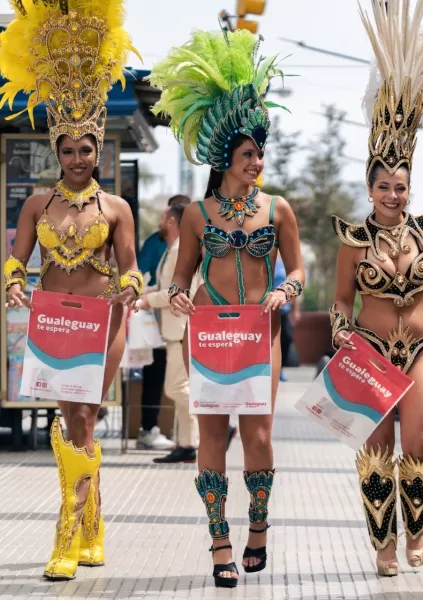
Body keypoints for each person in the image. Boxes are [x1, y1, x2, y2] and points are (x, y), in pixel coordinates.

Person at [148, 26, 305, 588]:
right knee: (211, 434)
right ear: (225, 158)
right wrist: (178, 295)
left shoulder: (279, 209)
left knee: (259, 435)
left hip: (259, 334)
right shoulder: (197, 215)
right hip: (209, 334)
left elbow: (300, 271)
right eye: (246, 154)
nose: (256, 162)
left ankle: (257, 529)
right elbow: (183, 274)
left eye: (260, 153)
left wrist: (286, 292)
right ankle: (219, 543)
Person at [0, 0, 141, 581]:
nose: (79, 158)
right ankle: (92, 523)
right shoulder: (38, 203)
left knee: (84, 417)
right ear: (56, 151)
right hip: (56, 323)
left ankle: (68, 531)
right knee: (73, 421)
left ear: (98, 151)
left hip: (102, 323)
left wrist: (130, 289)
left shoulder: (118, 207)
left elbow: (130, 267)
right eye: (69, 149)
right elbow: (16, 259)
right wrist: (13, 285)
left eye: (87, 148)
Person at [330, 0, 423, 578]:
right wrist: (341, 333)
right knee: (376, 452)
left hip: (419, 352)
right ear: (370, 188)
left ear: (411, 188)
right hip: (368, 352)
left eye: (401, 186)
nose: (394, 194)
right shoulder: (351, 238)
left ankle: (417, 535)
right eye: (385, 186)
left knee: (418, 443)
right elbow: (341, 299)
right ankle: (383, 547)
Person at [139, 203, 200, 463]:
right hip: (175, 330)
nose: (161, 222)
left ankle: (207, 433)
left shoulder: (182, 250)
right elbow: (165, 285)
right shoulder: (173, 249)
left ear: (173, 221)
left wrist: (147, 301)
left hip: (182, 329)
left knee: (177, 388)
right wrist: (142, 292)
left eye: (164, 217)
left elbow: (180, 291)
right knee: (180, 387)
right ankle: (187, 444)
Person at [273, 255, 301, 381]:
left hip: (283, 309)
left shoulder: (285, 263)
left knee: (286, 339)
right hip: (267, 308)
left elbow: (295, 284)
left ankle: (281, 368)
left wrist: (295, 310)